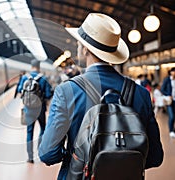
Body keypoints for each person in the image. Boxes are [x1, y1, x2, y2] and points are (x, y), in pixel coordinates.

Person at [39, 13, 163, 179]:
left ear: (85, 49)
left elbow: (47, 153)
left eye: (79, 43)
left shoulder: (66, 91)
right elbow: (155, 157)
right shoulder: (140, 93)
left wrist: (78, 156)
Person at [17, 59, 52, 163]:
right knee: (42, 129)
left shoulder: (25, 78)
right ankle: (40, 151)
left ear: (31, 66)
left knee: (29, 131)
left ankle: (30, 157)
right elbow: (48, 94)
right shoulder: (43, 78)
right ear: (39, 66)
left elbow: (19, 90)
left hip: (28, 109)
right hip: (40, 109)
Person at [161, 67, 175, 138]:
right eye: (173, 71)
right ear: (171, 72)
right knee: (171, 116)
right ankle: (171, 131)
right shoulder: (167, 80)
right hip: (169, 101)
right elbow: (162, 89)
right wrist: (168, 95)